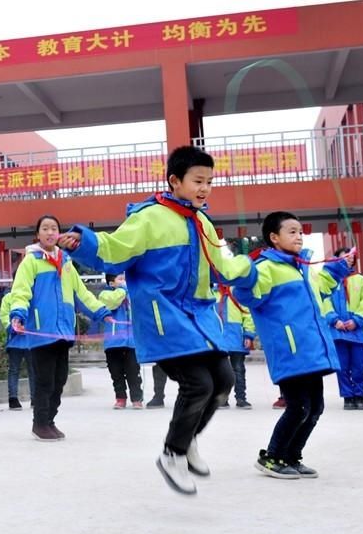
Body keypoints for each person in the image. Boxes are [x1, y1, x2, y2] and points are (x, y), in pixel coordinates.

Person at [58, 146, 253, 494]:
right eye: (198, 180)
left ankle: (187, 438)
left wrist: (250, 268)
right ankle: (172, 453)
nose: (205, 188)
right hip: (165, 319)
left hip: (200, 318)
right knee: (199, 385)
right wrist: (83, 243)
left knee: (223, 382)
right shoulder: (148, 218)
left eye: (210, 181)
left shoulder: (203, 222)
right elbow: (113, 250)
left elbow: (223, 267)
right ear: (175, 181)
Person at [232, 212, 346, 480]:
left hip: (311, 349)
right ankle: (272, 456)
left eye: (300, 231)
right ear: (274, 237)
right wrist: (246, 279)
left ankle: (292, 456)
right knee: (299, 407)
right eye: (291, 231)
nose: (298, 236)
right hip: (290, 349)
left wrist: (337, 270)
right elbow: (248, 294)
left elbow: (322, 290)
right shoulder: (266, 267)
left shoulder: (303, 266)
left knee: (315, 407)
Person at [11, 215, 112, 442]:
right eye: (44, 228)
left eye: (53, 228)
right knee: (45, 380)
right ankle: (40, 423)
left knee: (60, 380)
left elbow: (82, 293)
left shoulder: (66, 262)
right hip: (41, 330)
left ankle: (50, 421)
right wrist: (18, 314)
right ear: (37, 234)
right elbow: (21, 291)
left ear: (58, 234)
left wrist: (101, 312)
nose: (49, 232)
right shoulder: (31, 262)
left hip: (63, 331)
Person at [321, 248, 363, 410]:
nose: (348, 260)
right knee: (342, 367)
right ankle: (347, 396)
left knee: (358, 367)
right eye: (344, 258)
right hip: (338, 331)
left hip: (358, 331)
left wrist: (356, 320)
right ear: (336, 260)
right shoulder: (330, 281)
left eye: (351, 258)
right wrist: (333, 319)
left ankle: (359, 395)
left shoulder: (362, 281)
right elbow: (324, 300)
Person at [99, 273, 143, 409]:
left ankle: (137, 398)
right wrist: (123, 290)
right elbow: (113, 302)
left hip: (131, 342)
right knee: (116, 373)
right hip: (113, 342)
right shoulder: (104, 295)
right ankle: (120, 398)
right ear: (111, 283)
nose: (124, 281)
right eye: (120, 279)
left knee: (133, 371)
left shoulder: (131, 293)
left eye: (125, 279)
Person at [215, 285, 256, 409]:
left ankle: (241, 397)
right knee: (221, 370)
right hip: (219, 340)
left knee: (238, 369)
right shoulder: (214, 294)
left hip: (236, 339)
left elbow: (248, 314)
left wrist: (248, 335)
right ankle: (222, 399)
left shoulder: (238, 292)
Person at [0, 287, 36, 410]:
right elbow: (4, 316)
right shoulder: (8, 298)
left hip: (31, 341)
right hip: (15, 341)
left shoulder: (34, 297)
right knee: (14, 370)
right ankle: (13, 398)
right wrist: (13, 328)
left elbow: (37, 316)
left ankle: (35, 398)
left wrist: (29, 328)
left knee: (33, 370)